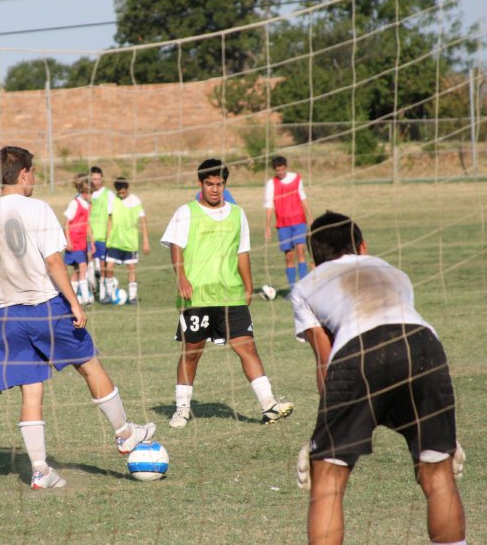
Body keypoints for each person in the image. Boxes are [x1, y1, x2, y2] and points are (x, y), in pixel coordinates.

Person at [0, 146, 156, 489]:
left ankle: (40, 470)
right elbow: (54, 262)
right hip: (44, 306)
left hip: (5, 315)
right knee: (89, 364)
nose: (35, 178)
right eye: (34, 172)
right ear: (24, 172)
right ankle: (125, 433)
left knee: (31, 392)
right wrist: (74, 303)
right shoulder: (37, 208)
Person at [290, 211, 466, 545]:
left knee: (327, 479)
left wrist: (324, 439)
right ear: (362, 246)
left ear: (315, 259)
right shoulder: (395, 272)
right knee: (438, 472)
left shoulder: (306, 285)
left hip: (357, 353)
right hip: (425, 348)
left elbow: (326, 363)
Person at [161, 159, 293, 429]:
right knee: (192, 352)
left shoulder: (236, 213)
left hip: (230, 294)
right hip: (197, 296)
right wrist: (182, 278)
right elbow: (176, 246)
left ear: (225, 185)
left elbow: (242, 252)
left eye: (219, 184)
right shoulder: (186, 212)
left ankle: (268, 405)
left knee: (247, 346)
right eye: (209, 184)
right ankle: (182, 409)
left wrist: (248, 285)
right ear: (200, 184)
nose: (214, 189)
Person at [264, 155, 311, 290]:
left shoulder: (296, 178)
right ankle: (292, 289)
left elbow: (303, 198)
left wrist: (310, 216)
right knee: (289, 256)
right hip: (283, 223)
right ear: (274, 170)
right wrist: (267, 226)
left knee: (300, 250)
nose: (281, 172)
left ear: (286, 167)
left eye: (283, 169)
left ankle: (304, 288)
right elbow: (269, 205)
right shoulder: (271, 184)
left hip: (299, 220)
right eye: (278, 170)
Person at [103, 177, 149, 305]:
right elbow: (110, 220)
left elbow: (143, 221)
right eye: (119, 193)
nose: (121, 195)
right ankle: (110, 294)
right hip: (115, 242)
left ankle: (132, 297)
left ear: (127, 189)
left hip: (130, 242)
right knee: (109, 268)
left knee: (131, 268)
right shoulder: (113, 200)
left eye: (123, 192)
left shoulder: (135, 201)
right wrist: (108, 238)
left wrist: (145, 241)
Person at [63, 173, 94, 305]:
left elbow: (87, 224)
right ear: (83, 192)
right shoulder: (75, 203)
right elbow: (66, 223)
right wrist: (68, 241)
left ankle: (70, 299)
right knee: (83, 267)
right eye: (89, 193)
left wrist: (91, 241)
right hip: (74, 242)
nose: (90, 196)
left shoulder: (88, 205)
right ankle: (86, 298)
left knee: (76, 271)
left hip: (82, 242)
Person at [87, 166, 116, 303]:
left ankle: (104, 295)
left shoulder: (108, 195)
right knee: (87, 266)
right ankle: (91, 292)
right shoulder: (86, 194)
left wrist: (110, 235)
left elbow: (111, 217)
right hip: (88, 236)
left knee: (104, 267)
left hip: (103, 237)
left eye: (98, 179)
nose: (96, 182)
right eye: (93, 179)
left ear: (102, 179)